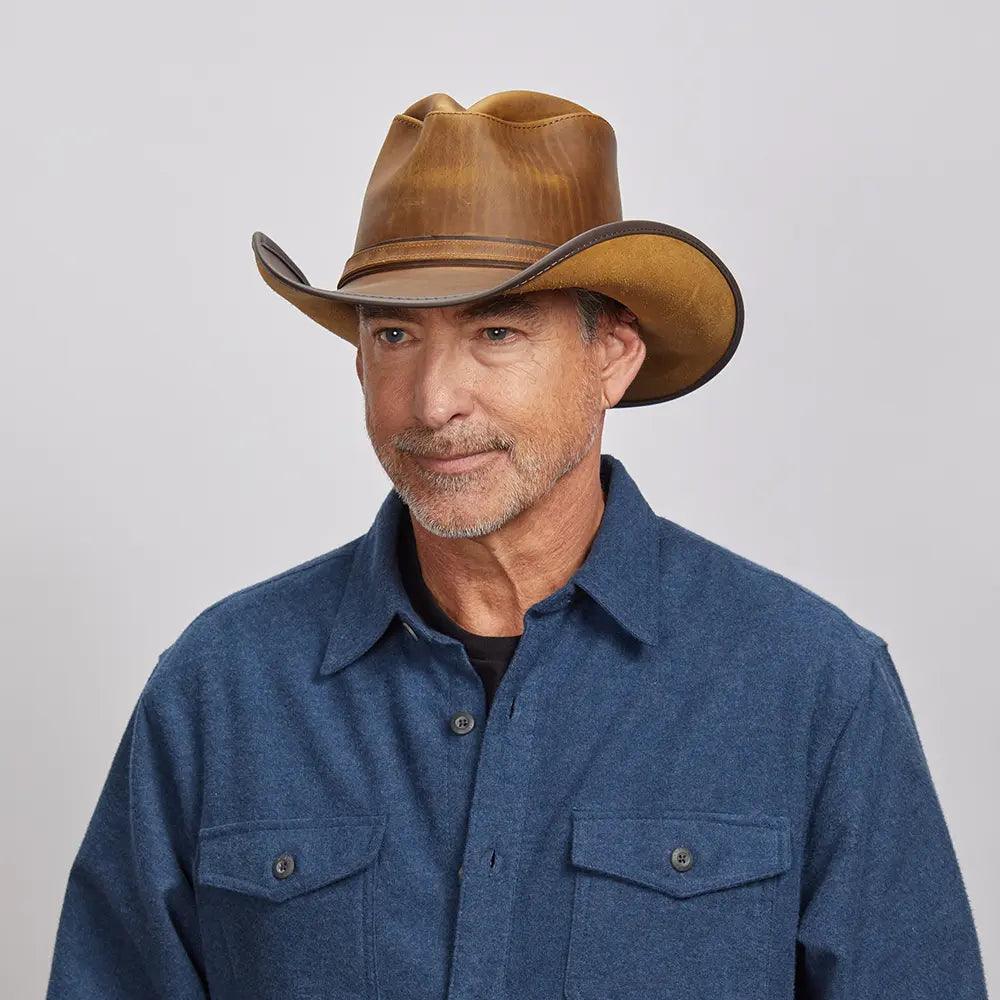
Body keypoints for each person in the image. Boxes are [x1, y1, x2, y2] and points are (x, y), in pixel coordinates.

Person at [46, 89, 989, 999]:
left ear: (612, 355)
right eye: (395, 335)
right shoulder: (221, 689)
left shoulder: (811, 686)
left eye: (496, 332)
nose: (432, 402)